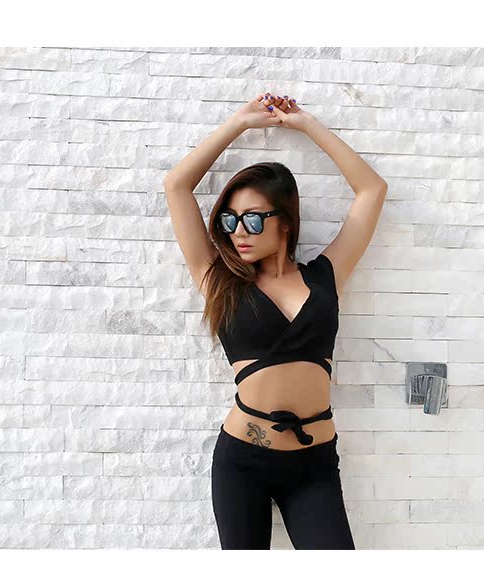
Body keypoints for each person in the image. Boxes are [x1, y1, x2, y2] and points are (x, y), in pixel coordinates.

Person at [164, 92, 388, 549]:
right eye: (230, 221)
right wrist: (239, 124)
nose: (238, 233)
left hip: (314, 464)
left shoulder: (325, 276)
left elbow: (372, 190)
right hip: (242, 461)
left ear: (285, 221)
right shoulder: (219, 279)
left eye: (252, 220)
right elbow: (176, 185)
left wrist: (306, 124)